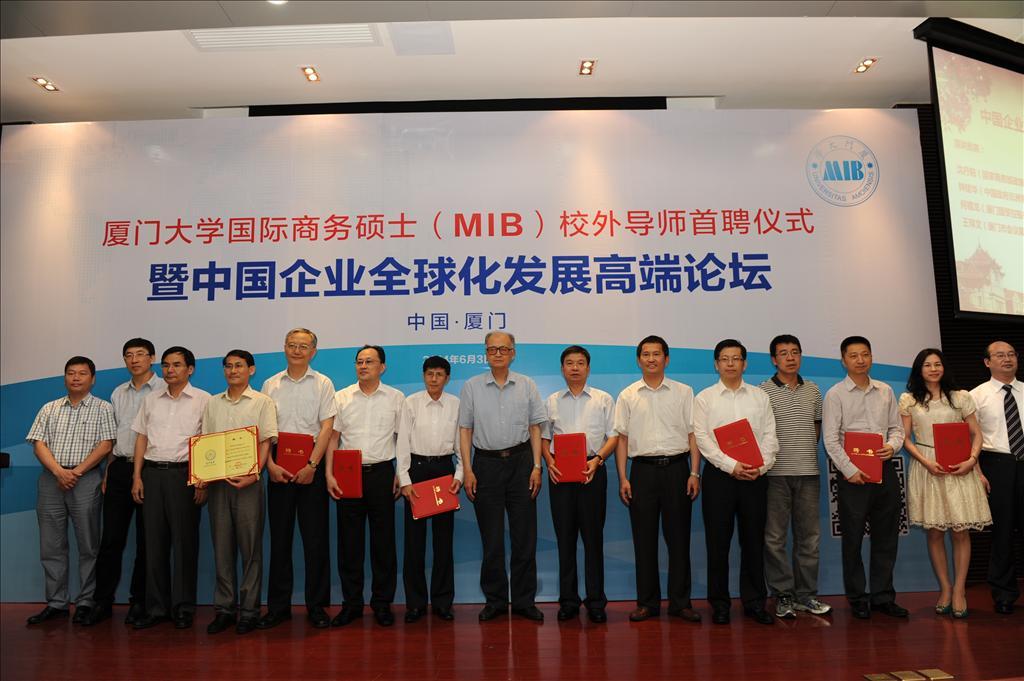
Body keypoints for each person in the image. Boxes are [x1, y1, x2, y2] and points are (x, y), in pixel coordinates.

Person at [459, 331, 547, 622]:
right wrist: (468, 470)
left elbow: (536, 428)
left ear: (513, 353)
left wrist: (537, 466)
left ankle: (523, 601)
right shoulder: (472, 387)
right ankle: (495, 600)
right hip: (486, 465)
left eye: (503, 349)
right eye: (492, 349)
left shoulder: (527, 384)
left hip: (521, 463)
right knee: (492, 539)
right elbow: (465, 430)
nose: (497, 354)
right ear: (485, 353)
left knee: (525, 537)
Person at [614, 335, 701, 623]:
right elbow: (622, 438)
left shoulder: (683, 392)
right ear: (638, 360)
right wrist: (623, 478)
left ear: (666, 358)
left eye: (657, 354)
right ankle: (647, 603)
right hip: (642, 472)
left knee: (679, 540)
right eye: (646, 354)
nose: (651, 359)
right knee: (644, 540)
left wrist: (694, 472)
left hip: (677, 470)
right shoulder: (628, 395)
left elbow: (693, 435)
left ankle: (680, 603)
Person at [25, 356, 117, 625]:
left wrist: (75, 472)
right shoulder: (49, 408)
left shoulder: (103, 408)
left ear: (93, 378)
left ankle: (86, 602)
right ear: (64, 377)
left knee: (89, 545)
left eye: (82, 373)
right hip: (51, 480)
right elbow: (38, 443)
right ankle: (57, 603)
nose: (76, 378)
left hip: (85, 480)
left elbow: (106, 445)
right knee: (51, 545)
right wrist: (59, 472)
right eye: (71, 373)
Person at [900, 348, 990, 618]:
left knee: (961, 531)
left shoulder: (961, 397)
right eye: (927, 365)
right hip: (928, 468)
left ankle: (960, 589)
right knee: (935, 531)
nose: (933, 369)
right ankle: (945, 588)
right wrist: (925, 462)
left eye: (937, 364)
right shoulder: (909, 400)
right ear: (919, 370)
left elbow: (976, 434)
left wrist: (972, 461)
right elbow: (905, 438)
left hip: (960, 467)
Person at [694, 339, 778, 625]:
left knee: (753, 541)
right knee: (718, 543)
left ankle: (755, 602)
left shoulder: (759, 397)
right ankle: (719, 603)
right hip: (720, 478)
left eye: (736, 358)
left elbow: (770, 436)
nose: (730, 364)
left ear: (744, 363)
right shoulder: (705, 398)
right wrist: (731, 466)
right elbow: (702, 439)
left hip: (755, 477)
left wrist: (760, 466)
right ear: (716, 364)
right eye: (724, 359)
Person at [822, 336, 906, 619]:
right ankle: (857, 597)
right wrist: (849, 470)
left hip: (885, 470)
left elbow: (897, 429)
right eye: (854, 355)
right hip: (852, 477)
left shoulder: (885, 391)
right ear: (843, 360)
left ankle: (883, 596)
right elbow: (831, 439)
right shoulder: (835, 394)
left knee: (886, 537)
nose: (860, 360)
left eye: (865, 354)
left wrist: (892, 446)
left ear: (871, 357)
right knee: (853, 539)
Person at [258, 328, 336, 630]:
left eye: (303, 346)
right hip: (278, 464)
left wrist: (313, 465)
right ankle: (278, 608)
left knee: (316, 541)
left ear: (313, 351)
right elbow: (264, 429)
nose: (297, 350)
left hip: (311, 463)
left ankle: (317, 607)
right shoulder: (271, 384)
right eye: (292, 345)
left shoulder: (323, 383)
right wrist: (270, 465)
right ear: (284, 348)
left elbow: (327, 427)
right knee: (279, 541)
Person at [130, 346, 210, 629]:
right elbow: (141, 438)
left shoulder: (204, 400)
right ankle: (156, 608)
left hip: (184, 476)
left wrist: (202, 480)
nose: (170, 370)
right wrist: (137, 476)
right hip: (152, 475)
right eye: (166, 365)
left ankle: (183, 607)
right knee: (154, 544)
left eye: (177, 364)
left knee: (185, 544)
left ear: (190, 369)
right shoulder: (151, 399)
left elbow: (207, 442)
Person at [86, 339, 164, 626]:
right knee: (111, 540)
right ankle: (102, 602)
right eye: (129, 355)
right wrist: (109, 472)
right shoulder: (118, 393)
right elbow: (114, 436)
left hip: (151, 470)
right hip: (119, 468)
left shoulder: (164, 389)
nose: (134, 360)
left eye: (141, 355)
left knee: (147, 541)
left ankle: (139, 601)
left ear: (152, 358)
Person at [327, 345, 404, 627]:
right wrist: (329, 473)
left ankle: (382, 604)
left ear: (382, 367)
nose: (363, 366)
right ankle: (352, 604)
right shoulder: (342, 397)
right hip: (347, 473)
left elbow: (403, 438)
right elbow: (333, 438)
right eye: (359, 361)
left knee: (383, 544)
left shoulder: (395, 397)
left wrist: (402, 473)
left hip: (382, 472)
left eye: (369, 362)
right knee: (350, 544)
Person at [202, 350, 278, 635]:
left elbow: (266, 441)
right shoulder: (212, 403)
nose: (233, 370)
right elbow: (205, 442)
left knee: (250, 549)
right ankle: (224, 609)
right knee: (222, 548)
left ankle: (248, 610)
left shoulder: (262, 402)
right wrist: (203, 477)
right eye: (228, 366)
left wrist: (254, 474)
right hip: (218, 483)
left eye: (239, 366)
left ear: (251, 370)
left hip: (249, 484)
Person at [542, 345, 617, 623]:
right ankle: (568, 601)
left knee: (593, 539)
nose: (575, 367)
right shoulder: (551, 401)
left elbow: (613, 436)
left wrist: (598, 460)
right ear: (562, 369)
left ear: (588, 367)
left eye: (580, 363)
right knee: (565, 539)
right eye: (569, 363)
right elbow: (544, 438)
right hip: (560, 473)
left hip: (592, 471)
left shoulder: (603, 399)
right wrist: (549, 462)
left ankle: (596, 601)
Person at [759, 334, 831, 619]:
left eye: (795, 352)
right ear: (773, 359)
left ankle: (806, 595)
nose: (790, 358)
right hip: (775, 475)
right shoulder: (762, 391)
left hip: (809, 473)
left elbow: (816, 429)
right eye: (783, 353)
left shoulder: (813, 390)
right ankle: (783, 595)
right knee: (774, 538)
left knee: (809, 538)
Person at [396, 356, 463, 623]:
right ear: (423, 376)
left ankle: (443, 602)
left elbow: (461, 444)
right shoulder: (410, 402)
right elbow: (402, 443)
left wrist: (459, 475)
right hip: (417, 471)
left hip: (445, 471)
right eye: (429, 374)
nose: (434, 379)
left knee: (443, 542)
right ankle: (415, 603)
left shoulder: (456, 404)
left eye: (439, 374)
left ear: (447, 378)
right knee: (414, 543)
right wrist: (404, 479)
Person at [970, 340, 1023, 615]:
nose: (1007, 359)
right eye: (1000, 355)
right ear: (987, 362)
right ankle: (1004, 593)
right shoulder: (975, 396)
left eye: (1011, 354)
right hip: (996, 465)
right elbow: (970, 439)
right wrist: (977, 472)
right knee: (1002, 532)